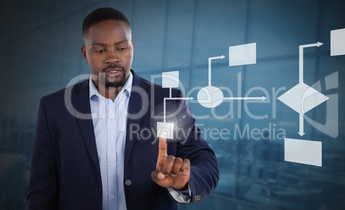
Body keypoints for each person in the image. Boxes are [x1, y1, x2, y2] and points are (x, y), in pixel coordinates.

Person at [27, 7, 219, 210]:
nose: (112, 58)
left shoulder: (167, 101)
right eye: (101, 50)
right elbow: (42, 188)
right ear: (85, 53)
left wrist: (185, 182)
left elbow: (206, 162)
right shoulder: (54, 107)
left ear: (132, 48)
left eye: (121, 48)